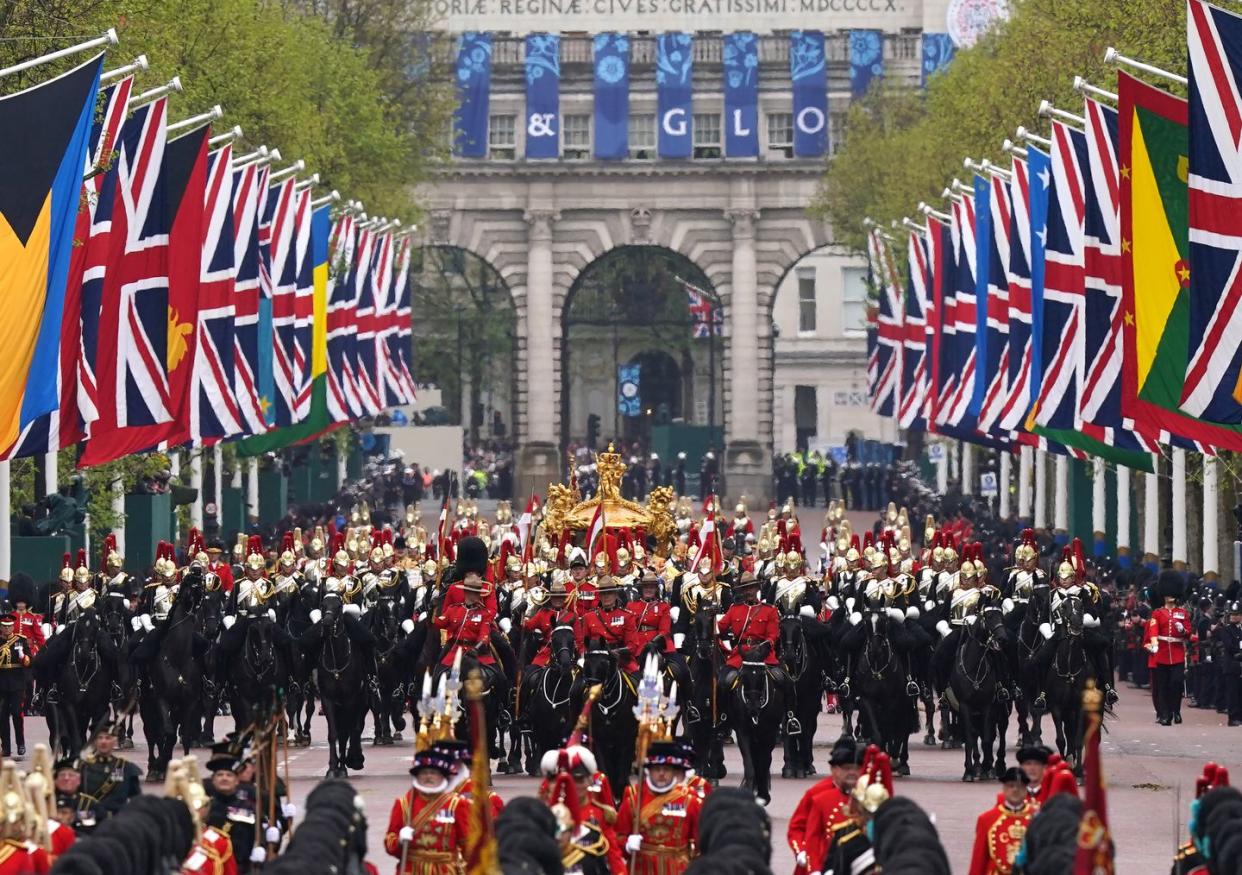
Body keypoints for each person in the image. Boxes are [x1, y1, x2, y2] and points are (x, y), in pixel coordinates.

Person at [716, 572, 798, 735]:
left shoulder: (769, 610)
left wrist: (765, 646)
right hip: (741, 656)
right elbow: (720, 628)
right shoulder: (735, 609)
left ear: (757, 588)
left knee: (786, 681)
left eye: (752, 588)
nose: (749, 591)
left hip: (763, 655)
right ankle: (723, 718)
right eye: (746, 588)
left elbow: (773, 635)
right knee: (722, 682)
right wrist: (710, 618)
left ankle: (790, 718)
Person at [615, 740, 702, 875]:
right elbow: (617, 836)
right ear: (649, 771)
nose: (661, 774)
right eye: (657, 769)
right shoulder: (633, 799)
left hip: (678, 868)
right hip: (642, 868)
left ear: (674, 772)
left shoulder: (690, 800)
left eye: (666, 769)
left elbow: (700, 840)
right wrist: (627, 845)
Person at [384, 749, 467, 875]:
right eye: (424, 773)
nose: (428, 776)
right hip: (412, 870)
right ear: (417, 776)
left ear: (442, 776)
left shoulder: (456, 804)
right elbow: (389, 843)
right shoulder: (404, 804)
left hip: (445, 870)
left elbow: (468, 844)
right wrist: (399, 840)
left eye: (433, 772)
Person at [787, 737, 863, 875]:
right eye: (847, 768)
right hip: (818, 861)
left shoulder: (868, 794)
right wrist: (801, 851)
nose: (852, 772)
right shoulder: (817, 794)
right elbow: (797, 828)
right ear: (834, 769)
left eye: (857, 768)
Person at [204, 742, 265, 873]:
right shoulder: (205, 808)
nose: (224, 779)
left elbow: (261, 832)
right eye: (220, 775)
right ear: (213, 780)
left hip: (241, 867)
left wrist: (263, 847)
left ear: (237, 780)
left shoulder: (249, 807)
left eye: (229, 775)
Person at [968, 767, 1038, 875]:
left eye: (1020, 787)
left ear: (1025, 790)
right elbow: (978, 862)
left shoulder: (1038, 819)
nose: (1015, 790)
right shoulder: (987, 819)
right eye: (1011, 786)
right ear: (1004, 789)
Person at [1147, 570, 1193, 725]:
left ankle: (1176, 710)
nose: (1170, 596)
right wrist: (1154, 645)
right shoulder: (1157, 613)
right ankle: (1166, 715)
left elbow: (1188, 633)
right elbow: (1153, 630)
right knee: (1163, 686)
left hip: (1177, 653)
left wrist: (1183, 630)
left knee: (1176, 683)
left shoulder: (1183, 613)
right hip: (1162, 653)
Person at [77, 722, 141, 825]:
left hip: (117, 822)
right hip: (88, 821)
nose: (103, 741)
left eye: (108, 738)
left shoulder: (124, 767)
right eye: (100, 738)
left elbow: (136, 799)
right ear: (94, 742)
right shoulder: (82, 767)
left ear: (114, 741)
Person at [0, 614, 31, 758]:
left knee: (17, 713)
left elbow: (29, 662)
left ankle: (21, 744)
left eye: (9, 626)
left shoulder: (20, 640)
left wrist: (22, 656)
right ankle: (5, 747)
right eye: (4, 627)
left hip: (17, 682)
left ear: (13, 626)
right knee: (2, 716)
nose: (7, 629)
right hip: (1, 683)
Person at [1213, 601, 1242, 726]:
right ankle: (1233, 717)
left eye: (1237, 614)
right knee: (1233, 693)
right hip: (1232, 665)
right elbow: (1230, 646)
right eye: (1232, 614)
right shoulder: (1226, 630)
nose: (1234, 616)